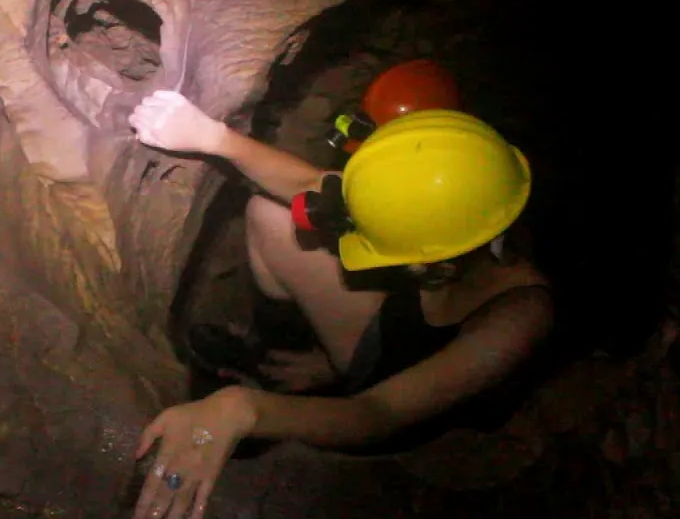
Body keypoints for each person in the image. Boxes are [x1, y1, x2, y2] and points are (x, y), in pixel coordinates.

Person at [126, 91, 553, 519]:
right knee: (273, 217)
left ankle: (290, 385)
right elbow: (305, 185)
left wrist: (242, 408)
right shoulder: (468, 192)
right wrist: (212, 136)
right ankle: (283, 353)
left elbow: (377, 414)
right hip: (389, 328)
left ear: (434, 265)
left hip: (410, 407)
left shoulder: (520, 317)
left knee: (353, 404)